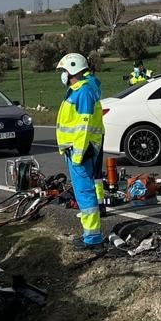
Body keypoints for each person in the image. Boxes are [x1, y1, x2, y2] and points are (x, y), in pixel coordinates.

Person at [55, 52, 106, 249]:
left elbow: (83, 126)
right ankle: (90, 234)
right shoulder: (79, 89)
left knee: (85, 192)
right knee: (83, 191)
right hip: (78, 149)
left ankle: (92, 237)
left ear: (73, 71)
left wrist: (77, 155)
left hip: (80, 150)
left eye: (64, 71)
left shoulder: (82, 91)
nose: (63, 75)